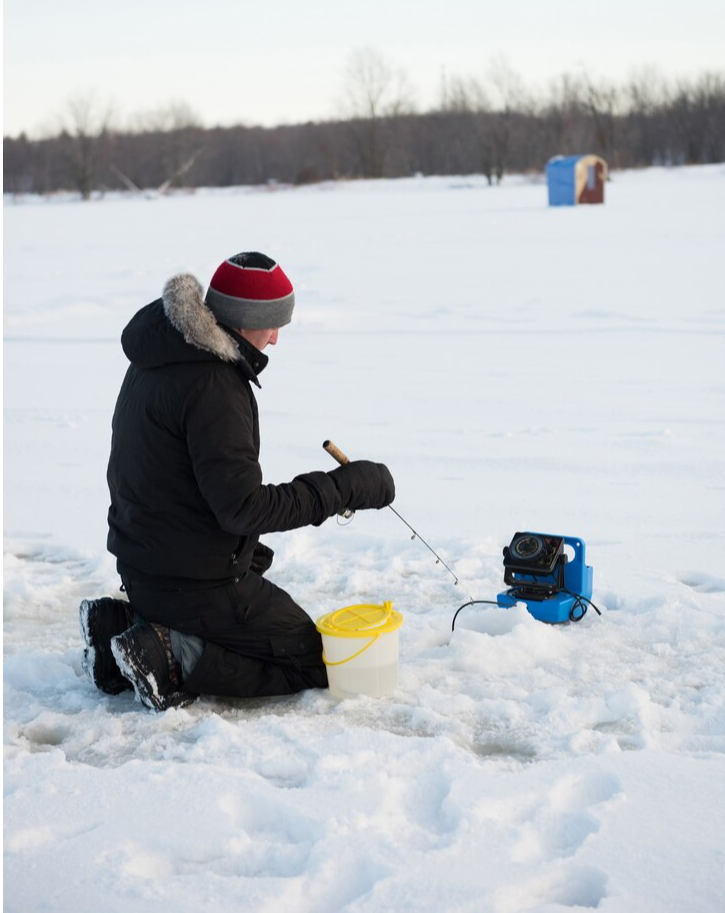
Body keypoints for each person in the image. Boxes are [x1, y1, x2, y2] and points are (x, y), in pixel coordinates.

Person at [80, 251, 395, 711]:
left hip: (144, 565)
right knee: (316, 660)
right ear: (246, 320)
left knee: (254, 564)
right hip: (189, 582)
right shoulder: (214, 385)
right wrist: (345, 488)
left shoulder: (163, 353)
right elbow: (243, 507)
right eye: (272, 324)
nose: (276, 338)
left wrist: (243, 548)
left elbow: (187, 487)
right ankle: (169, 654)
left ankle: (123, 624)